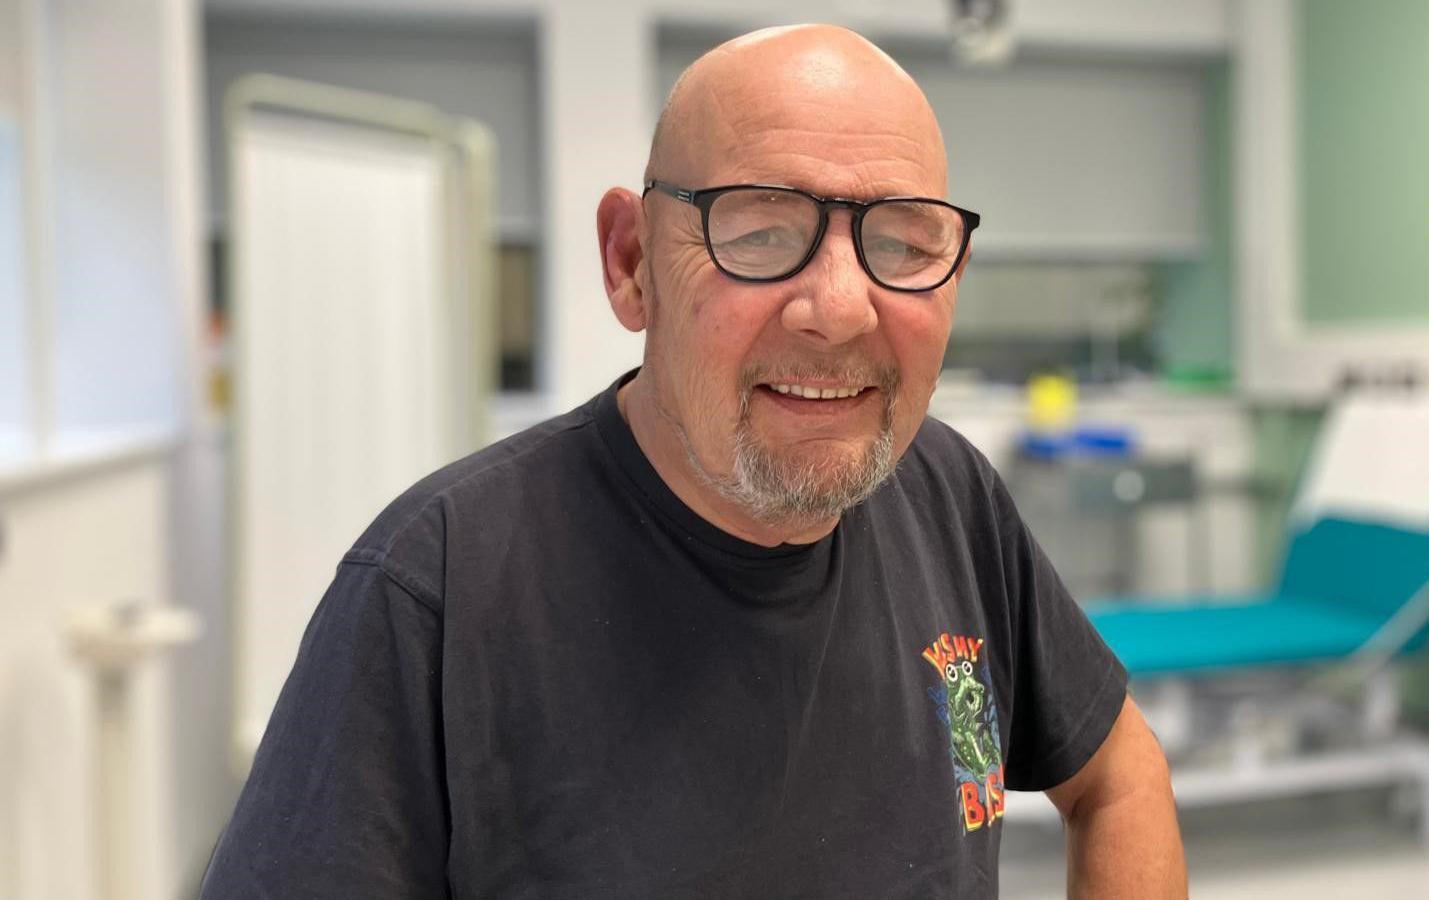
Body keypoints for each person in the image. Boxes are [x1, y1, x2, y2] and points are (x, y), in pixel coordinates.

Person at [201, 24, 1186, 899]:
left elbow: (1119, 776)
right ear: (631, 262)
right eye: (759, 232)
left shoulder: (948, 495)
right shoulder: (441, 589)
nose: (839, 308)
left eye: (899, 241)